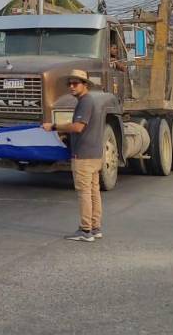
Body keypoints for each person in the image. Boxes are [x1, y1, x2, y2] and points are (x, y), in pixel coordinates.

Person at [42, 69, 112, 242]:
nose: (72, 86)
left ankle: (85, 230)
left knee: (84, 193)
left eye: (76, 83)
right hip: (94, 154)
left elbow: (78, 127)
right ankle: (95, 228)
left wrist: (54, 127)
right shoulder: (88, 101)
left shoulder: (85, 102)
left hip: (83, 156)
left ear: (85, 85)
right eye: (70, 84)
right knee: (94, 192)